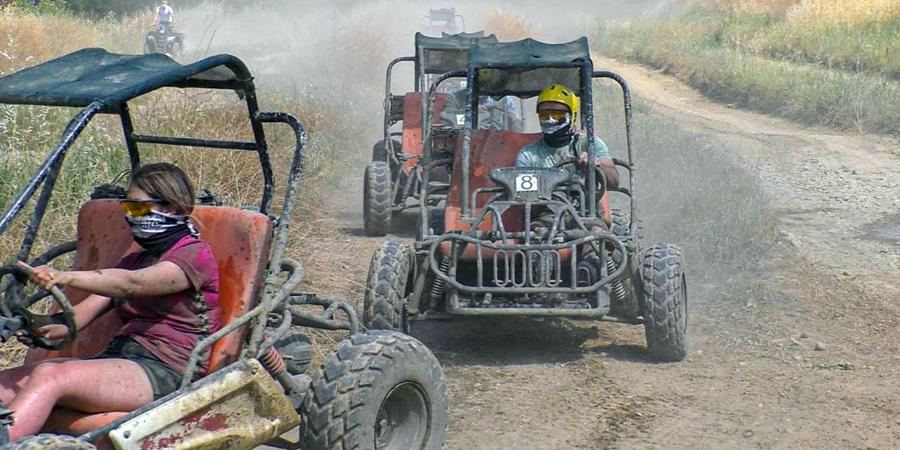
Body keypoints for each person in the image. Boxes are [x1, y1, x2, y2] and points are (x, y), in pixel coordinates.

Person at [0, 163, 220, 442]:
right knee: (6, 385)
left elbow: (133, 283)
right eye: (128, 209)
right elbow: (73, 321)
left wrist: (64, 277)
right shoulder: (135, 259)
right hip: (120, 359)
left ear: (173, 208)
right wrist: (30, 324)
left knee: (50, 375)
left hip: (165, 370)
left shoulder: (194, 256)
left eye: (138, 208)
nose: (131, 217)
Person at [516, 84, 618, 190]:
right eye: (544, 114)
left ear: (572, 115)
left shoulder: (589, 143)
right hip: (544, 205)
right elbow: (524, 195)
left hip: (584, 204)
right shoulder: (528, 155)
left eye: (557, 114)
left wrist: (596, 164)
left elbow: (614, 183)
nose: (550, 119)